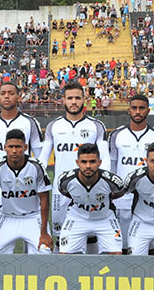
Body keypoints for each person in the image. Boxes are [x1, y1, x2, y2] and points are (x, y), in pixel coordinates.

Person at [38, 82, 108, 242]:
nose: (74, 101)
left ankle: (91, 268)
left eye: (78, 97)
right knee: (61, 237)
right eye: (70, 98)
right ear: (63, 100)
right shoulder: (53, 126)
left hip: (89, 189)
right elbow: (43, 158)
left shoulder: (96, 126)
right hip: (60, 190)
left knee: (91, 237)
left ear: (84, 99)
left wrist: (100, 186)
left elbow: (105, 160)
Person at [0, 82, 43, 232]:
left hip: (27, 185)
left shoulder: (30, 122)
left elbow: (39, 154)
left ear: (18, 96)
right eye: (3, 93)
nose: (6, 96)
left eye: (11, 93)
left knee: (32, 232)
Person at [108, 94, 154, 252]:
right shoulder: (116, 135)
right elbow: (112, 168)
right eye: (134, 108)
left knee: (148, 246)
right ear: (129, 110)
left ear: (148, 110)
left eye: (141, 108)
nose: (138, 111)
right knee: (123, 245)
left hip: (149, 199)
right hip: (123, 200)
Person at [0, 129, 52, 254]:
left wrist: (44, 232)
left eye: (18, 147)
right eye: (11, 147)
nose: (14, 151)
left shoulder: (36, 166)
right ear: (5, 147)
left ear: (25, 147)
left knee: (45, 251)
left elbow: (44, 200)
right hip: (7, 217)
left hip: (33, 217)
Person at [56, 143, 124, 254]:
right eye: (84, 162)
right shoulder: (65, 180)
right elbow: (64, 191)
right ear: (77, 163)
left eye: (92, 162)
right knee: (64, 255)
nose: (88, 166)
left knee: (116, 255)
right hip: (77, 217)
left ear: (99, 163)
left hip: (105, 218)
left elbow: (120, 192)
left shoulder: (112, 181)